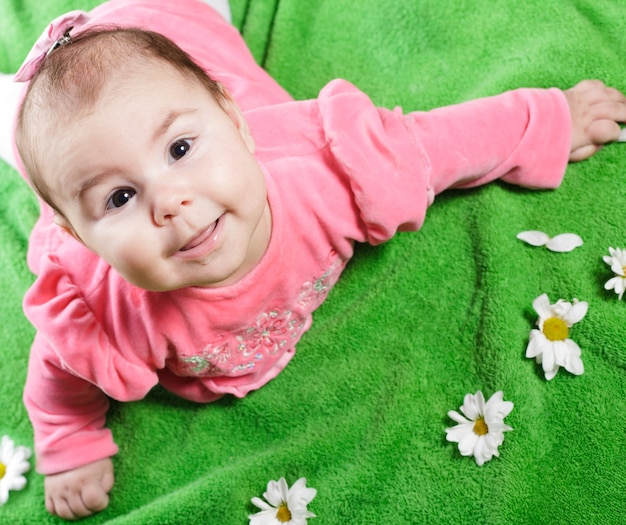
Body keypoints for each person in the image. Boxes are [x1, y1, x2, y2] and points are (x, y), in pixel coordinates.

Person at [4, 0, 626, 519]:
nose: (171, 201)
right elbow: (59, 378)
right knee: (32, 130)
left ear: (237, 127)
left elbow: (442, 145)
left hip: (179, 22)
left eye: (182, 149)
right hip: (93, 119)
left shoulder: (330, 173)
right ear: (81, 239)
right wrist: (69, 442)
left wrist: (549, 119)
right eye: (119, 197)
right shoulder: (103, 311)